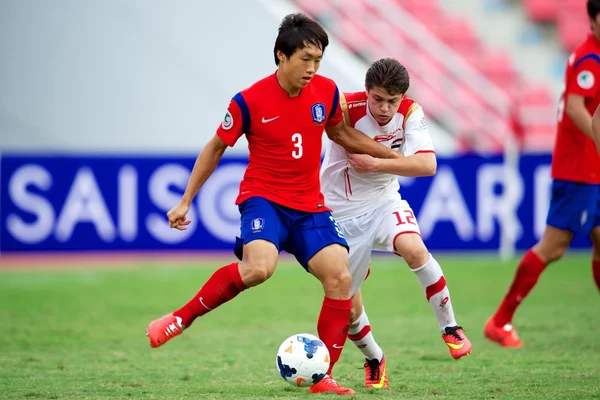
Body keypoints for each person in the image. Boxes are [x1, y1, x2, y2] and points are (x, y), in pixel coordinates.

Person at [145, 13, 400, 395]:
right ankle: (181, 318)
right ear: (281, 55)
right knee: (259, 269)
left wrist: (387, 155)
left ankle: (323, 375)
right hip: (264, 201)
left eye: (318, 60)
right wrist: (185, 201)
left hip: (310, 206)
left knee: (341, 278)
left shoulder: (327, 92)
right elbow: (215, 147)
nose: (313, 68)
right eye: (305, 59)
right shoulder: (249, 100)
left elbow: (341, 133)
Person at [320, 58, 473, 389]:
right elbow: (327, 129)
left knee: (413, 248)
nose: (385, 108)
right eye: (378, 99)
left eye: (393, 100)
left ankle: (450, 327)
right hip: (337, 213)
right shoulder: (345, 106)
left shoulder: (411, 112)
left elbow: (428, 164)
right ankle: (375, 357)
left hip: (383, 202)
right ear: (367, 92)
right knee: (345, 301)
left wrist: (377, 163)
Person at [484, 0, 600, 348]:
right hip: (579, 167)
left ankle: (500, 321)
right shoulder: (590, 58)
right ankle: (500, 321)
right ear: (592, 20)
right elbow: (578, 109)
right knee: (554, 246)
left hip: (590, 166)